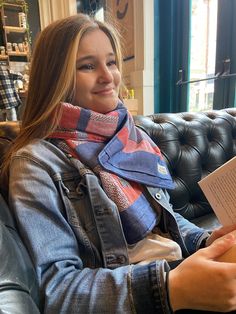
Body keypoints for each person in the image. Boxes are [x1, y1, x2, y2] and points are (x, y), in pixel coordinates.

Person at [1, 13, 236, 314]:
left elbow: (166, 222)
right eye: (87, 65)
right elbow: (57, 290)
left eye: (111, 62)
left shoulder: (132, 137)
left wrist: (205, 240)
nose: (107, 76)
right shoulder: (35, 163)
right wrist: (170, 287)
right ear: (55, 77)